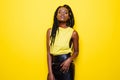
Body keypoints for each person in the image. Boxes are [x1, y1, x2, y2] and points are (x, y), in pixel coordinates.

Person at [46, 4, 79, 80]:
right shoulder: (50, 31)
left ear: (69, 16)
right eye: (60, 12)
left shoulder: (73, 33)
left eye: (65, 12)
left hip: (66, 67)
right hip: (53, 66)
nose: (62, 14)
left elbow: (76, 52)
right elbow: (48, 53)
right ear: (56, 15)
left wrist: (69, 60)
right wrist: (50, 73)